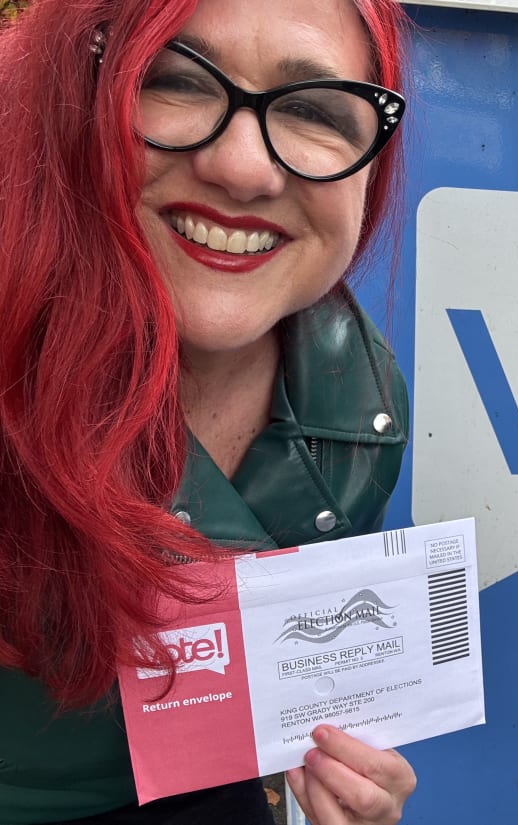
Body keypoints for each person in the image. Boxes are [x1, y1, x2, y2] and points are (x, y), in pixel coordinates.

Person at [0, 0, 416, 822]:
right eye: (178, 82)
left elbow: (267, 711)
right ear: (71, 96)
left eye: (314, 109)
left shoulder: (357, 406)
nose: (244, 168)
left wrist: (326, 793)